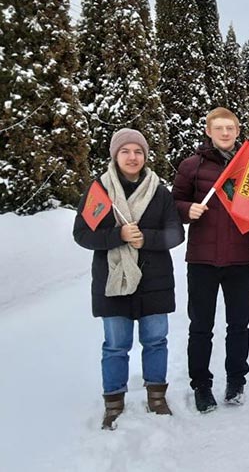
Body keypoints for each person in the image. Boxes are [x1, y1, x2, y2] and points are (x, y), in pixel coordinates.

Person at [73, 128, 184, 430]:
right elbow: (82, 234)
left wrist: (144, 238)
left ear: (145, 156)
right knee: (115, 345)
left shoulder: (159, 192)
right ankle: (113, 402)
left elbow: (176, 234)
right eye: (126, 151)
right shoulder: (99, 191)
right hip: (113, 281)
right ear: (115, 155)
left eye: (138, 151)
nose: (132, 157)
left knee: (155, 341)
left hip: (155, 279)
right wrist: (117, 235)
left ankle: (157, 397)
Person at [172, 107, 249, 413]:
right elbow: (173, 203)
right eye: (219, 128)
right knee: (201, 326)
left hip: (239, 260)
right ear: (208, 131)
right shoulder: (191, 167)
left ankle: (236, 380)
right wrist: (187, 209)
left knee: (239, 326)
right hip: (202, 259)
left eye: (231, 128)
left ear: (238, 131)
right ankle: (201, 384)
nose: (225, 133)